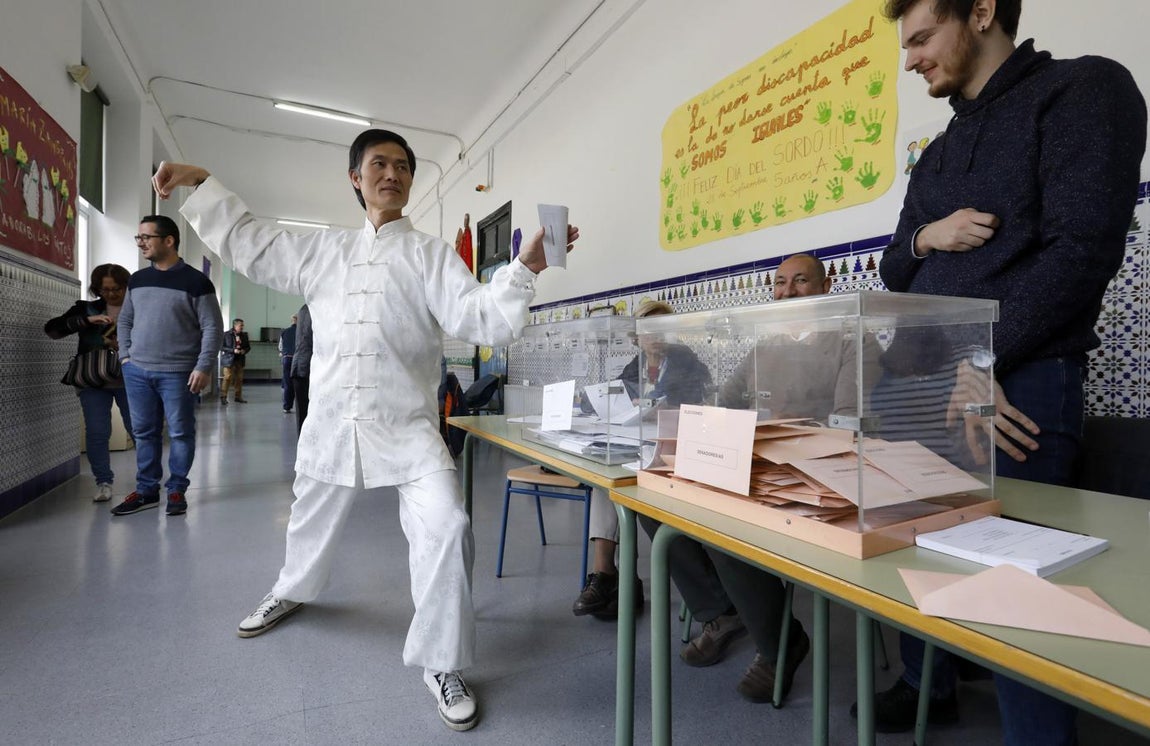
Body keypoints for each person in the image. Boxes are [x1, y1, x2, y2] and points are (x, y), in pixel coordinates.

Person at [150, 128, 578, 733]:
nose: (393, 174)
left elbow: (480, 316)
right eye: (379, 164)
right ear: (355, 178)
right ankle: (292, 590)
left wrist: (524, 268)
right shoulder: (322, 252)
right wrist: (200, 184)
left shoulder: (429, 255)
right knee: (308, 517)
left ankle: (442, 661)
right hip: (331, 420)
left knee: (448, 526)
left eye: (403, 166)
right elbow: (251, 243)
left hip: (407, 427)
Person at [862, 1, 1147, 742]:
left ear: (982, 11)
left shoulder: (1084, 91)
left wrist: (981, 354)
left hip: (1013, 380)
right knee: (912, 548)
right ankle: (928, 680)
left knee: (1016, 590)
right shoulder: (937, 153)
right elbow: (896, 265)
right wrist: (926, 233)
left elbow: (1083, 249)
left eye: (922, 37)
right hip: (919, 385)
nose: (911, 58)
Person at [640, 253, 880, 703]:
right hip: (759, 465)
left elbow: (849, 424)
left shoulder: (852, 340)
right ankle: (723, 612)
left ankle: (780, 644)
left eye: (800, 281)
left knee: (725, 527)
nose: (787, 291)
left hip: (818, 476)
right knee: (656, 512)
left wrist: (785, 424)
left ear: (825, 288)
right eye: (780, 282)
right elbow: (724, 400)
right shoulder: (766, 343)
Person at [572, 299, 710, 620]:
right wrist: (597, 400)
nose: (655, 336)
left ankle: (617, 580)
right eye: (649, 329)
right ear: (638, 336)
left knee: (621, 481)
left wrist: (661, 406)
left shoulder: (686, 361)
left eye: (662, 328)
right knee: (604, 477)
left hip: (671, 450)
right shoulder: (635, 365)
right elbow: (613, 397)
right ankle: (606, 574)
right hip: (637, 445)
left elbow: (694, 402)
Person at [110, 215, 223, 517]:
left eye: (146, 237)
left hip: (179, 373)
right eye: (138, 237)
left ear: (169, 240)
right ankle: (147, 490)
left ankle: (176, 490)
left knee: (180, 432)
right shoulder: (138, 279)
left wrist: (203, 366)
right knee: (144, 433)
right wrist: (125, 358)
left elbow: (212, 327)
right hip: (137, 371)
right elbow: (126, 320)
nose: (141, 242)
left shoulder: (197, 282)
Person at [44, 263, 134, 503]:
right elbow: (52, 330)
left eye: (117, 289)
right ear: (97, 289)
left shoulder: (137, 308)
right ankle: (103, 482)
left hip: (130, 378)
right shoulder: (86, 308)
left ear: (126, 286)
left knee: (139, 429)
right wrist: (87, 320)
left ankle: (149, 479)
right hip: (93, 379)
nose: (111, 294)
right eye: (105, 290)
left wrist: (125, 345)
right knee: (97, 431)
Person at [291, 304, 312, 433]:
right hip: (306, 367)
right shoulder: (311, 309)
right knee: (307, 414)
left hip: (299, 366)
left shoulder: (304, 309)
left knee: (302, 414)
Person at [220, 318, 250, 404]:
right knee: (227, 377)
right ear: (235, 325)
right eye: (241, 325)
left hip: (240, 360)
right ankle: (223, 397)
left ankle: (238, 397)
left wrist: (244, 351)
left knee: (239, 379)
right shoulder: (226, 334)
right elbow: (221, 347)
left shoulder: (244, 335)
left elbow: (248, 347)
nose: (242, 327)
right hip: (228, 360)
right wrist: (233, 350)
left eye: (243, 325)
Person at [279, 314, 298, 413]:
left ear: (292, 321)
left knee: (287, 383)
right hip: (298, 360)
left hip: (287, 359)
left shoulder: (284, 332)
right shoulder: (301, 331)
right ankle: (301, 408)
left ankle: (287, 407)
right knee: (300, 384)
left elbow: (280, 347)